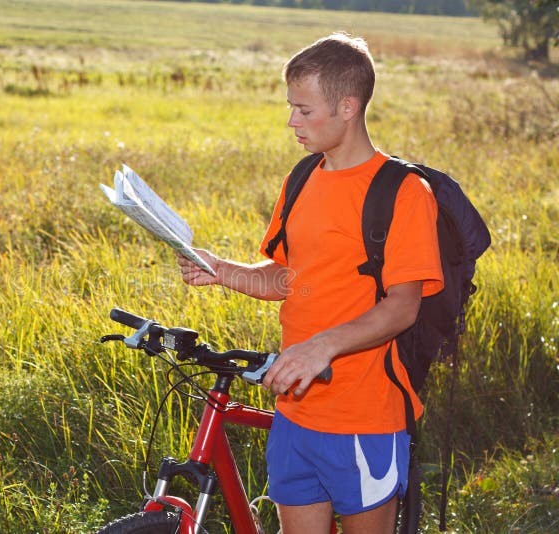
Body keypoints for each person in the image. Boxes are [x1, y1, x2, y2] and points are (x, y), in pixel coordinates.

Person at [177, 33, 444, 533]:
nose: (291, 122)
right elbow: (288, 278)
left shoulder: (404, 192)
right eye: (290, 108)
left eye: (303, 109)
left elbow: (402, 306)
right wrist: (221, 270)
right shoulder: (302, 178)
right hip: (295, 413)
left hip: (364, 416)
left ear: (347, 106)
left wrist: (322, 346)